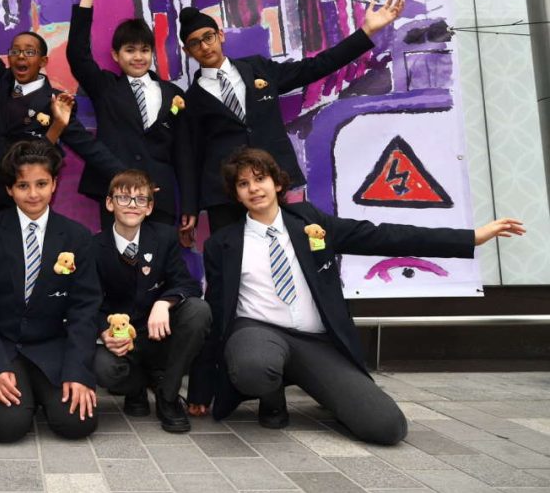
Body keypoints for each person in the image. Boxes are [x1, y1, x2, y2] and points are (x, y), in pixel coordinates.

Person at [203, 147, 525, 444]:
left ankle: (312, 381)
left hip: (315, 342)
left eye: (260, 179)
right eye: (244, 184)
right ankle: (271, 398)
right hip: (259, 333)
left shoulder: (311, 221)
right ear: (236, 194)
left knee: (387, 427)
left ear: (276, 183)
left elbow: (384, 236)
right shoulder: (223, 244)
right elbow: (216, 313)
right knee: (254, 366)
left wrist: (471, 238)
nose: (254, 188)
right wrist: (201, 393)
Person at [177, 0, 405, 242]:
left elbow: (315, 67)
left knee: (292, 247)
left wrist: (366, 31)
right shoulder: (191, 99)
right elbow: (190, 156)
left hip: (274, 180)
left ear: (220, 35)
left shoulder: (257, 69)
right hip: (224, 194)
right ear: (187, 51)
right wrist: (190, 206)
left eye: (208, 37)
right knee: (231, 262)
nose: (204, 46)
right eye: (195, 43)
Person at [0, 140, 103, 443]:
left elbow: (84, 310)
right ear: (10, 189)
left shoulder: (76, 236)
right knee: (8, 427)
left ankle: (38, 393)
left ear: (54, 185)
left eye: (41, 184)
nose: (33, 194)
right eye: (23, 185)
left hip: (50, 347)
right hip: (2, 346)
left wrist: (77, 371)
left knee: (76, 423)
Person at [67, 0, 188, 228]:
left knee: (161, 266)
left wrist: (188, 203)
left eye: (145, 50)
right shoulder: (106, 87)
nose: (138, 57)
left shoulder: (173, 93)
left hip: (161, 198)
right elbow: (77, 56)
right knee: (117, 265)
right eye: (130, 50)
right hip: (116, 191)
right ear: (116, 55)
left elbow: (183, 152)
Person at [0, 0, 124, 186]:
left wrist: (123, 175)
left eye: (30, 52)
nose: (21, 56)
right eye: (15, 52)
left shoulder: (56, 102)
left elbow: (88, 146)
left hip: (29, 186)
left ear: (43, 62)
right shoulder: (3, 80)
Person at [93, 170, 211, 433]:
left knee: (198, 310)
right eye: (124, 198)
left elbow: (187, 283)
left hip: (159, 335)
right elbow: (87, 301)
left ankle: (167, 396)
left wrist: (164, 303)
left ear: (149, 207)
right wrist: (104, 329)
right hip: (123, 341)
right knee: (104, 369)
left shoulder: (164, 238)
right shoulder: (93, 247)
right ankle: (136, 388)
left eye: (140, 200)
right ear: (110, 203)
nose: (132, 206)